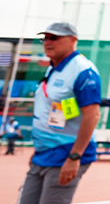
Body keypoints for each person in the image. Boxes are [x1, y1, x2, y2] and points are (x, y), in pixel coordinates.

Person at [19, 22, 102, 204]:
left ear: (73, 40)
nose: (48, 42)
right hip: (44, 153)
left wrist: (75, 156)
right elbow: (68, 110)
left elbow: (92, 115)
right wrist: (39, 148)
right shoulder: (53, 69)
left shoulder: (83, 71)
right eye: (45, 38)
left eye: (54, 38)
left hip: (66, 153)